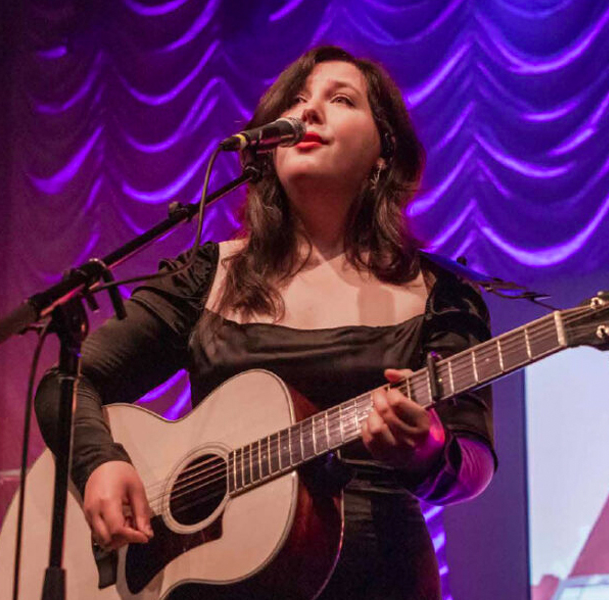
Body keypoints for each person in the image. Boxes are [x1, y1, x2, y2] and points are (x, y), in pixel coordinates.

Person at [35, 45, 496, 600]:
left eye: (341, 99)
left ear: (384, 153)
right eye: (297, 100)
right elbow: (71, 380)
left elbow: (474, 463)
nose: (310, 112)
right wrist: (99, 464)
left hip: (376, 574)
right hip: (205, 581)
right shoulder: (209, 276)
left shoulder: (442, 295)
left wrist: (428, 452)